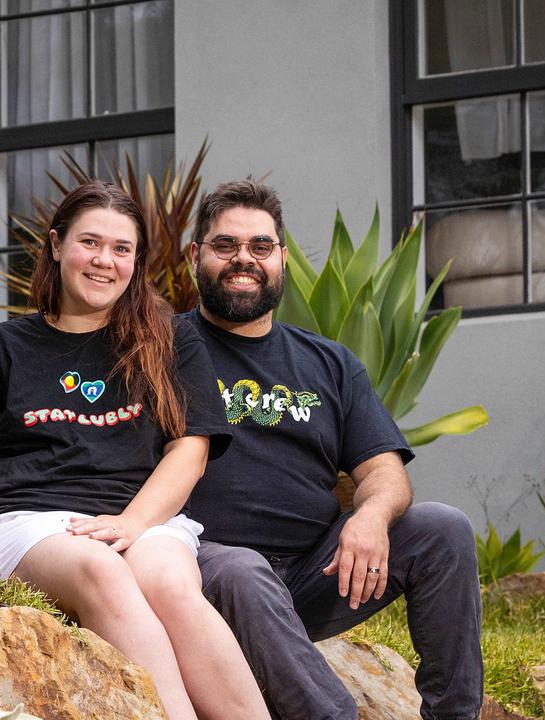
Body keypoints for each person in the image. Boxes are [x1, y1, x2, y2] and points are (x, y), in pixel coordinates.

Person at [0, 181, 271, 720]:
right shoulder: (1, 347)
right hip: (27, 522)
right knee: (101, 569)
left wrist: (133, 523)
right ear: (55, 245)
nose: (104, 261)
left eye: (121, 249)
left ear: (136, 262)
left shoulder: (169, 341)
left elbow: (192, 449)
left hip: (137, 518)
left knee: (171, 584)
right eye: (90, 243)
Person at [183, 179, 484, 720]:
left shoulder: (331, 363)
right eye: (224, 245)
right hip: (207, 570)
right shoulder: (161, 348)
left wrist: (370, 515)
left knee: (444, 527)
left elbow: (385, 471)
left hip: (316, 574)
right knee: (244, 571)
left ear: (281, 259)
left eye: (260, 246)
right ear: (196, 255)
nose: (242, 259)